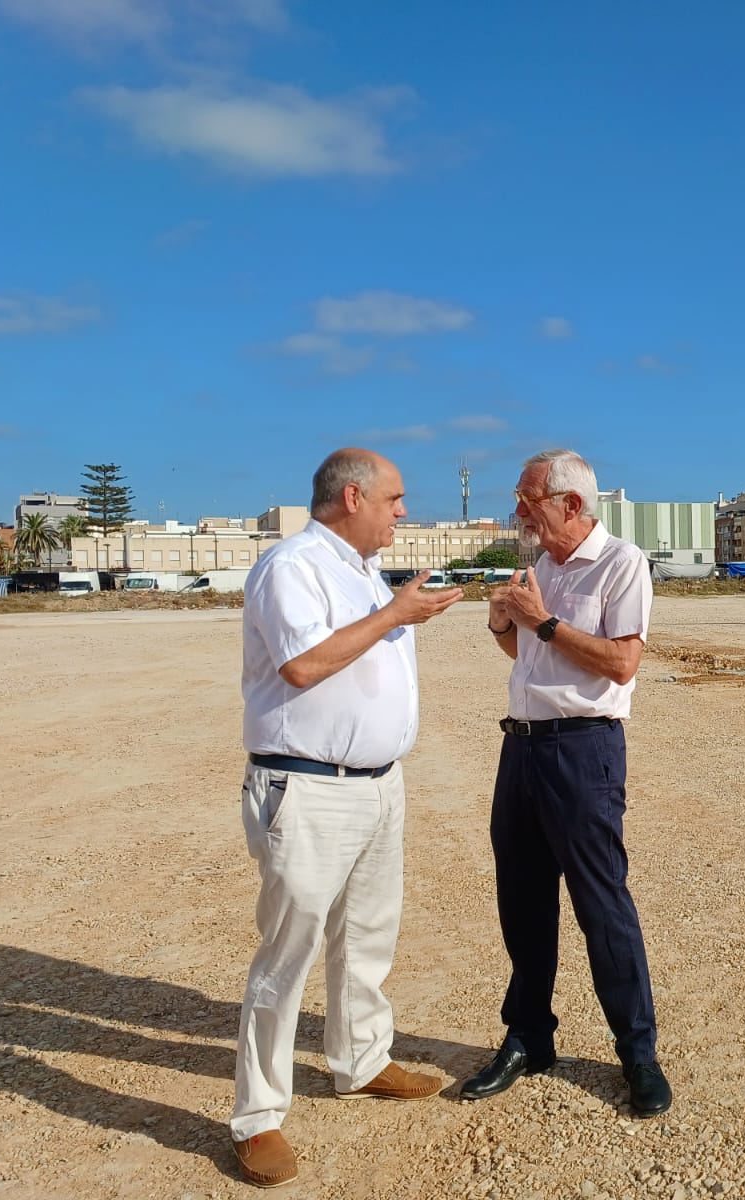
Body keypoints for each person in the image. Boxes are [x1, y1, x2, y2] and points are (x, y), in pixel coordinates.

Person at [231, 448, 462, 1188]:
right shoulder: (291, 566)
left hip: (378, 784)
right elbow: (302, 666)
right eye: (395, 499)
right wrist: (395, 614)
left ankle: (361, 1061)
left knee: (367, 935)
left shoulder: (364, 571)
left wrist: (396, 606)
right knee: (288, 952)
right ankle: (258, 1117)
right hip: (307, 786)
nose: (404, 511)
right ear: (353, 497)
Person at [460, 448, 672, 1118]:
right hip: (520, 747)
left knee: (601, 904)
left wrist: (544, 622)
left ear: (570, 503)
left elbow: (621, 663)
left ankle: (638, 1053)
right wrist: (506, 624)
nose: (518, 511)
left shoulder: (621, 564)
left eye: (527, 498)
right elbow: (529, 655)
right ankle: (529, 1038)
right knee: (522, 901)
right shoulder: (541, 567)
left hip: (583, 751)